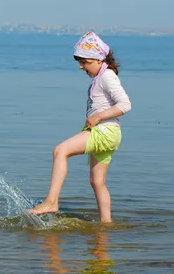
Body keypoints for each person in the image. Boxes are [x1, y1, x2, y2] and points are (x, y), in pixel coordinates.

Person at [29, 31, 131, 222]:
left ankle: (51, 201)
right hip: (110, 134)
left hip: (105, 131)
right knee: (97, 181)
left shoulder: (107, 76)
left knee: (60, 151)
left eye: (84, 62)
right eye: (80, 62)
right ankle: (106, 224)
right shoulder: (101, 77)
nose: (81, 66)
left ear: (98, 59)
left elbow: (125, 105)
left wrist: (98, 116)